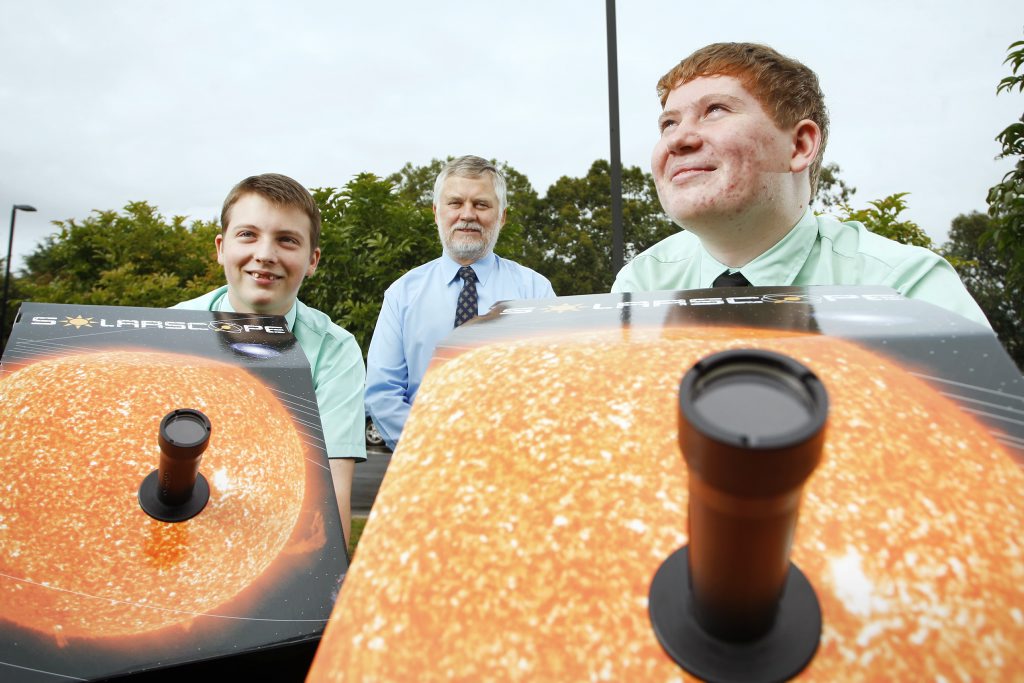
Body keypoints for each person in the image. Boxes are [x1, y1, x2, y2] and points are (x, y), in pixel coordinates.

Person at [611, 42, 989, 327]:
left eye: (715, 110)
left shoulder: (905, 288)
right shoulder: (641, 285)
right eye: (668, 123)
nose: (678, 139)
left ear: (800, 145)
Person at [174, 173, 365, 542]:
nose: (265, 254)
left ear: (312, 260)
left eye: (287, 240)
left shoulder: (335, 350)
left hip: (276, 527)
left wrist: (329, 592)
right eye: (248, 234)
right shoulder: (169, 331)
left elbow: (332, 485)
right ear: (220, 247)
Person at [365, 155, 555, 451]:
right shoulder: (401, 295)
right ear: (436, 212)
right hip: (422, 465)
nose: (468, 214)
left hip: (512, 463)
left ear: (502, 216)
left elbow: (551, 387)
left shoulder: (536, 291)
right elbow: (382, 393)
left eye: (481, 204)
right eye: (455, 203)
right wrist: (438, 448)